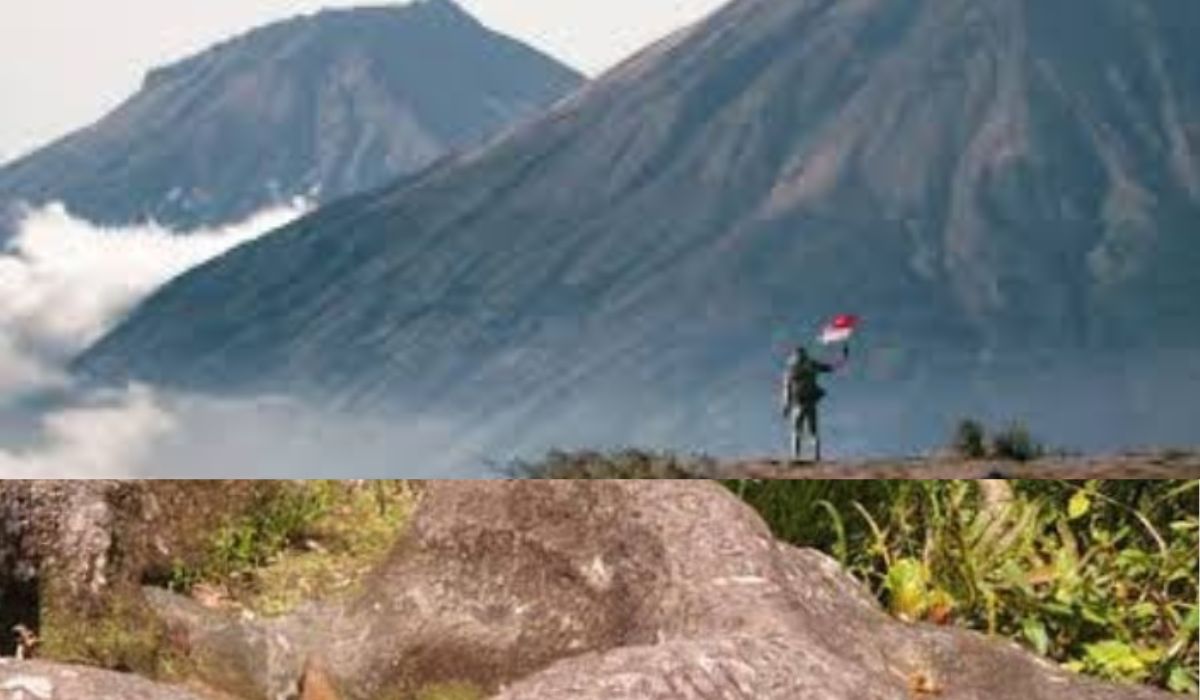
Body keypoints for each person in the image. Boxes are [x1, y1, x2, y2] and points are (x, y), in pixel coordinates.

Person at [781, 344, 849, 462]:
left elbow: (787, 389)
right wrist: (843, 357)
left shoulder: (790, 369)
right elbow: (832, 368)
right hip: (811, 402)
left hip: (798, 403)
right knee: (813, 431)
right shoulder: (812, 365)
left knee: (796, 431)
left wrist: (786, 406)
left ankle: (796, 456)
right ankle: (817, 456)